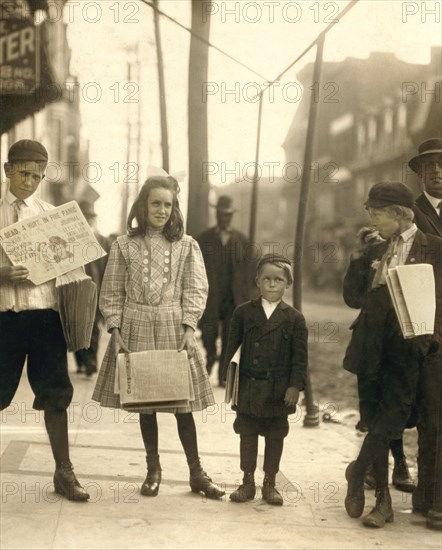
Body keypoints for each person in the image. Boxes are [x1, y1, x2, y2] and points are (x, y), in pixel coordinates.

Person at [92, 175, 225, 499]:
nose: (161, 210)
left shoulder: (186, 245)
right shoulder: (124, 245)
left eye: (167, 204)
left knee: (183, 405)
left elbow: (196, 288)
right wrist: (116, 330)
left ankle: (196, 472)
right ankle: (153, 469)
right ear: (143, 205)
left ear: (174, 208)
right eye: (155, 203)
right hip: (136, 325)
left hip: (172, 326)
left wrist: (189, 327)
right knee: (145, 403)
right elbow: (111, 291)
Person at [343, 182, 441, 528]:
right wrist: (357, 259)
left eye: (376, 213)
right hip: (370, 345)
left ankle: (357, 473)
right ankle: (382, 501)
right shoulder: (373, 249)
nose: (371, 220)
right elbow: (353, 299)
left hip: (408, 348)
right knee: (373, 417)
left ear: (398, 215)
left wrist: (429, 341)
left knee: (394, 414)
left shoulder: (434, 249)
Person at [0, 139, 89, 501]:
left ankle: (63, 471)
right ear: (7, 171)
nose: (29, 181)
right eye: (23, 173)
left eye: (37, 175)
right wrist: (2, 274)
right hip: (4, 317)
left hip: (44, 318)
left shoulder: (52, 215)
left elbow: (72, 269)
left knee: (55, 394)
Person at [222, 253, 308, 506]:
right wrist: (231, 382)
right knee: (246, 434)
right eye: (267, 279)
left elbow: (300, 358)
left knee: (275, 435)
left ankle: (270, 483)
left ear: (288, 284)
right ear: (257, 281)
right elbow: (231, 349)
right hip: (248, 386)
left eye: (279, 280)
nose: (272, 284)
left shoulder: (294, 319)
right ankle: (247, 481)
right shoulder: (243, 313)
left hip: (278, 389)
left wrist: (294, 386)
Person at [408, 138, 442, 529]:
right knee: (431, 415)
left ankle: (426, 494)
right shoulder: (411, 214)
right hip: (423, 326)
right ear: (419, 173)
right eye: (430, 166)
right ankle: (433, 497)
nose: (437, 171)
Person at [197, 195, 253, 387]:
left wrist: (246, 298)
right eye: (222, 214)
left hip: (233, 298)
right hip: (210, 297)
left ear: (232, 216)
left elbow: (249, 272)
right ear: (216, 214)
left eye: (228, 215)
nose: (225, 218)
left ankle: (224, 374)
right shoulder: (203, 240)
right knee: (208, 332)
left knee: (231, 336)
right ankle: (211, 356)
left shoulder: (243, 240)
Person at [74, 200, 110, 376]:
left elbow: (108, 270)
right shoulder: (72, 241)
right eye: (84, 218)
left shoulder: (103, 241)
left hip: (96, 292)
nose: (88, 222)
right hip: (75, 292)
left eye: (90, 218)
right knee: (76, 326)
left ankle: (91, 362)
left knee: (93, 327)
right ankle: (81, 361)